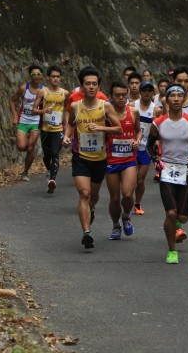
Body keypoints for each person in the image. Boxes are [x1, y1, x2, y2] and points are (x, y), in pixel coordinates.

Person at [146, 84, 188, 264]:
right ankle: (172, 250)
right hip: (166, 170)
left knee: (182, 217)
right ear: (166, 99)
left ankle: (176, 224)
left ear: (183, 99)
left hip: (184, 171)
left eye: (179, 95)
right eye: (172, 95)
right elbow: (149, 145)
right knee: (171, 213)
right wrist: (155, 160)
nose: (175, 98)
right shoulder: (158, 123)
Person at [62, 67, 123, 249]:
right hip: (80, 157)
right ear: (81, 86)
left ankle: (92, 208)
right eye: (87, 84)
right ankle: (86, 232)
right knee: (84, 193)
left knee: (93, 196)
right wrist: (66, 136)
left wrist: (101, 128)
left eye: (94, 84)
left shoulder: (105, 106)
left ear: (98, 86)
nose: (91, 87)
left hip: (100, 158)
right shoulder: (75, 106)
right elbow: (71, 124)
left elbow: (118, 129)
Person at [105, 81, 141, 240]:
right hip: (111, 160)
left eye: (123, 95)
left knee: (127, 194)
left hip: (129, 159)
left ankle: (126, 216)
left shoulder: (133, 112)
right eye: (117, 95)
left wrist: (137, 141)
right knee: (114, 198)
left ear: (127, 95)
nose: (121, 98)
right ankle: (116, 225)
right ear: (111, 97)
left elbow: (138, 131)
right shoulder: (105, 114)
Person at [31, 66, 69, 193]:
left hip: (58, 129)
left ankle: (52, 180)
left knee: (54, 153)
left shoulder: (65, 93)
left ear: (61, 78)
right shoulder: (42, 92)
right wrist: (44, 110)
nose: (55, 79)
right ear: (48, 78)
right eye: (53, 76)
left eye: (58, 76)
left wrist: (66, 124)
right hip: (45, 129)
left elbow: (68, 110)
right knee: (47, 156)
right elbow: (33, 110)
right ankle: (49, 170)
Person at [10, 65, 44, 181]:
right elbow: (12, 100)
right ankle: (24, 138)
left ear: (41, 76)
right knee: (21, 147)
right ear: (30, 75)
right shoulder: (24, 88)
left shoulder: (44, 90)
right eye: (33, 74)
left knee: (30, 148)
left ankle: (25, 172)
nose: (36, 76)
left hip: (36, 122)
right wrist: (14, 116)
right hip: (23, 120)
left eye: (38, 74)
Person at [134, 80, 162, 215]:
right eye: (144, 90)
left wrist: (157, 142)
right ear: (140, 91)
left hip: (146, 147)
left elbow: (160, 129)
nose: (147, 92)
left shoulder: (156, 109)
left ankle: (137, 202)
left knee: (140, 179)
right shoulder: (132, 106)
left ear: (152, 93)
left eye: (149, 90)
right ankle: (127, 198)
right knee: (131, 179)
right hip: (132, 145)